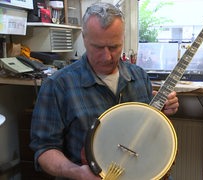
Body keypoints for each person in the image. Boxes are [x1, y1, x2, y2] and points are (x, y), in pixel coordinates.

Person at [29, 2, 179, 180]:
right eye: (98, 47)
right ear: (84, 39)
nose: (107, 56)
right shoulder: (58, 86)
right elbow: (44, 150)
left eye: (114, 47)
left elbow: (147, 135)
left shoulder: (139, 77)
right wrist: (76, 172)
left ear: (123, 39)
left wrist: (162, 113)